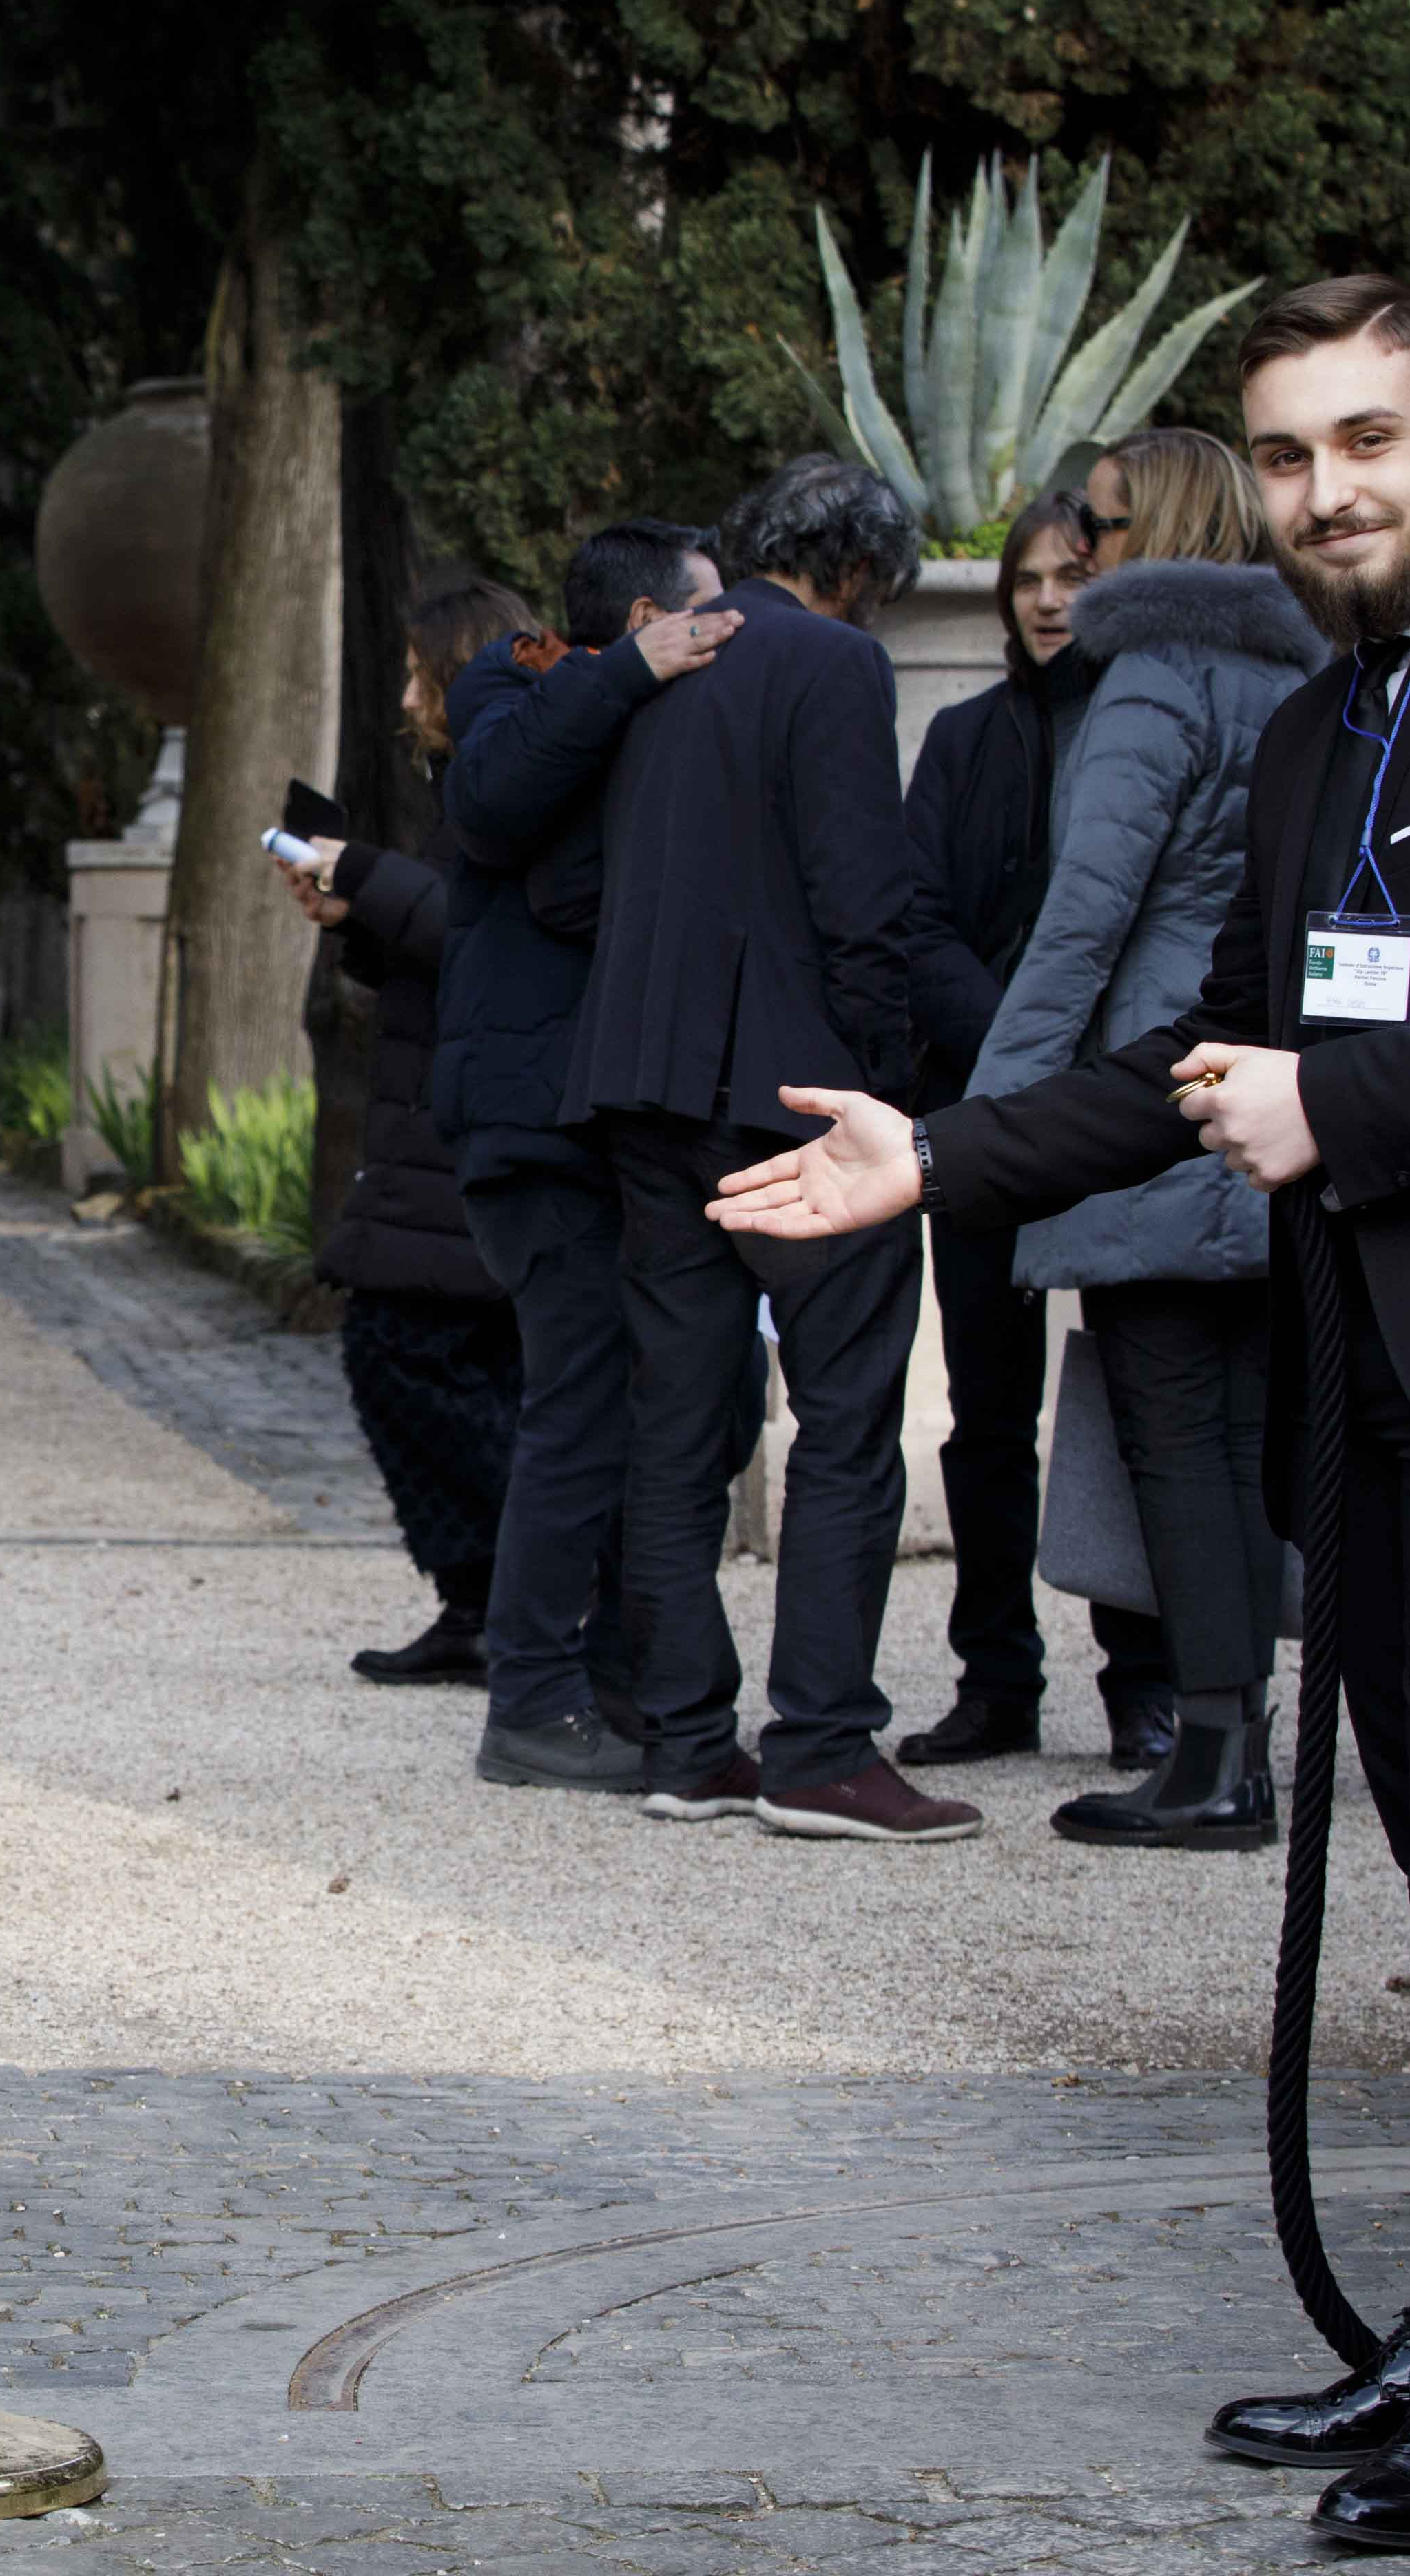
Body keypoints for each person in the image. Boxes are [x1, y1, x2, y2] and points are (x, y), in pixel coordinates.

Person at [709, 278, 1410, 2550]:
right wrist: (938, 1156)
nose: (1324, 493)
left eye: (1366, 440)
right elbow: (1199, 1050)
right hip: (1370, 1363)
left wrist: (1342, 1096)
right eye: (1285, 456)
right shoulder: (1322, 723)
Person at [557, 453, 964, 1841]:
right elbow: (864, 897)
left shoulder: (674, 666)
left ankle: (682, 1738)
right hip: (790, 1088)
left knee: (676, 1416)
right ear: (858, 572)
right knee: (845, 1414)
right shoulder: (832, 664)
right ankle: (821, 1748)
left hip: (643, 1080)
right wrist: (891, 1084)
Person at [968, 428, 1325, 1847]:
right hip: (1271, 1088)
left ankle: (1213, 1759)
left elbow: (1079, 922)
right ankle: (1238, 1747)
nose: (1082, 546)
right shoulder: (1296, 673)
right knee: (1238, 1436)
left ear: (1156, 528)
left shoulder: (1147, 683)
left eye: (1101, 522)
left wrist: (993, 1129)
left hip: (1146, 1097)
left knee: (1173, 1434)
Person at [431, 528, 745, 1783]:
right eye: (708, 612)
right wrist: (626, 674)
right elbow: (500, 807)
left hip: (612, 1122)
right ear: (646, 615)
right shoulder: (520, 682)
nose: (731, 630)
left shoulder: (649, 720)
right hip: (533, 1124)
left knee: (666, 1405)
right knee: (577, 1402)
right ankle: (533, 1696)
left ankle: (614, 1677)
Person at [898, 490, 1183, 1774]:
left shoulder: (1150, 723)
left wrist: (1088, 1060)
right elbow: (917, 922)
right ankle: (996, 1676)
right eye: (1030, 580)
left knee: (1142, 1397)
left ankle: (1149, 1683)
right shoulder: (964, 738)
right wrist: (1017, 1046)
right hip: (985, 1105)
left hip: (1128, 1105)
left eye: (1075, 574)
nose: (1052, 599)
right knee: (986, 1410)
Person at [302, 583, 530, 1689]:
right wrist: (357, 920)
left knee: (408, 1352)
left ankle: (536, 1581)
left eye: (417, 674)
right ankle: (482, 1595)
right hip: (435, 1125)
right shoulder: (467, 785)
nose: (403, 697)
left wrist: (366, 881)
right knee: (439, 1359)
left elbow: (486, 935)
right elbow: (438, 948)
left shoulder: (524, 782)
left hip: (472, 1130)